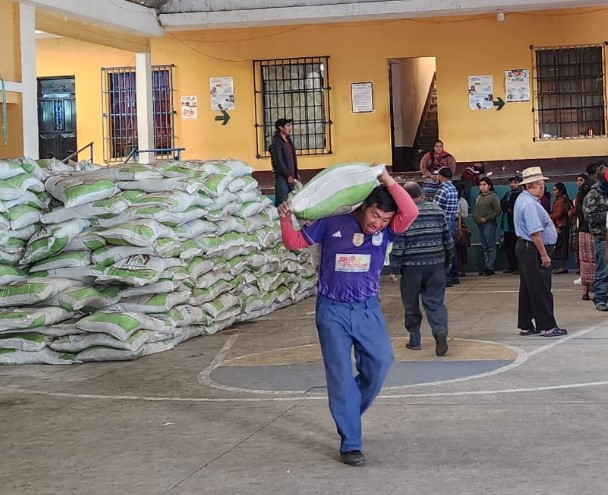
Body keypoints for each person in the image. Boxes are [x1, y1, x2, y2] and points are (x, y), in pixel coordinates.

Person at [278, 168, 418, 466]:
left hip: (368, 309)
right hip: (332, 311)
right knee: (340, 376)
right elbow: (294, 243)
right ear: (364, 206)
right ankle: (351, 442)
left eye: (385, 220)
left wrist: (386, 179)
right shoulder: (332, 222)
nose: (377, 224)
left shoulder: (388, 231)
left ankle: (349, 410)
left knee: (381, 362)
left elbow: (411, 211)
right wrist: (284, 218)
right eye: (375, 215)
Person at [390, 181, 453, 355]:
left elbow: (399, 245)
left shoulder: (404, 214)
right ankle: (440, 332)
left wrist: (395, 269)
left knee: (410, 304)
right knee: (435, 303)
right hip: (436, 265)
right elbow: (448, 240)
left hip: (411, 269)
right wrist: (448, 261)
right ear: (422, 194)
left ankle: (415, 339)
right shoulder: (437, 210)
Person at [514, 166, 567, 337]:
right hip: (533, 248)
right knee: (541, 288)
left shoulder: (525, 199)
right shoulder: (530, 204)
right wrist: (544, 254)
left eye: (542, 184)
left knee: (528, 287)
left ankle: (526, 325)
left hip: (526, 247)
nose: (542, 187)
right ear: (529, 185)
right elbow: (535, 233)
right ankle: (547, 326)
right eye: (538, 184)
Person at [582, 168, 608, 311]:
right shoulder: (594, 194)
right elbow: (590, 216)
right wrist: (607, 215)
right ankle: (600, 299)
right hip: (603, 237)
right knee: (603, 270)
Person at [433, 167, 460, 285]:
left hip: (444, 223)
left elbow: (435, 208)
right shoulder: (453, 188)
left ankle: (447, 277)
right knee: (452, 248)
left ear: (441, 176)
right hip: (452, 221)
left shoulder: (442, 190)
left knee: (445, 250)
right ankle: (454, 275)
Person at [472, 176, 501, 276]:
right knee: (485, 246)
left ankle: (490, 267)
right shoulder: (479, 196)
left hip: (489, 224)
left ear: (489, 186)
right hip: (479, 224)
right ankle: (486, 266)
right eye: (480, 185)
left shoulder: (493, 196)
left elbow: (498, 210)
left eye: (484, 185)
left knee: (490, 246)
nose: (482, 187)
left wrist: (486, 218)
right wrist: (475, 218)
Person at [572, 176, 595, 300]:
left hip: (582, 232)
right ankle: (598, 288)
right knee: (597, 260)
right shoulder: (595, 200)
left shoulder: (578, 201)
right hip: (595, 233)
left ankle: (585, 292)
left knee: (584, 261)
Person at [270, 118, 299, 206]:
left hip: (292, 176)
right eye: (288, 126)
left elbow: (293, 158)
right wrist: (287, 175)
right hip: (282, 177)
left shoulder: (288, 140)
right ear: (281, 128)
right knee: (282, 202)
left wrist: (295, 174)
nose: (290, 128)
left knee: (292, 201)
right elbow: (279, 161)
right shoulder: (276, 142)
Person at [500, 175, 522, 274]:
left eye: (515, 182)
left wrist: (509, 205)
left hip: (515, 225)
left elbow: (514, 206)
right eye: (511, 183)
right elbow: (502, 203)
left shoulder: (521, 195)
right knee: (508, 246)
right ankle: (511, 266)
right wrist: (507, 206)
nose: (513, 184)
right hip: (507, 224)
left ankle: (518, 266)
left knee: (516, 246)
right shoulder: (508, 193)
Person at [550, 182, 571, 274]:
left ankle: (563, 266)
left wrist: (549, 216)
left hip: (562, 226)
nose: (554, 192)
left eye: (555, 190)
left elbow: (558, 214)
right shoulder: (558, 200)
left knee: (562, 246)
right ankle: (562, 266)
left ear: (560, 191)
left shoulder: (561, 201)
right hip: (559, 225)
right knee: (560, 246)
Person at [456, 182, 470, 276]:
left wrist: (456, 215)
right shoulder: (450, 200)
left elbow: (465, 214)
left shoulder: (462, 201)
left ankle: (462, 269)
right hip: (451, 224)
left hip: (460, 225)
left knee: (461, 248)